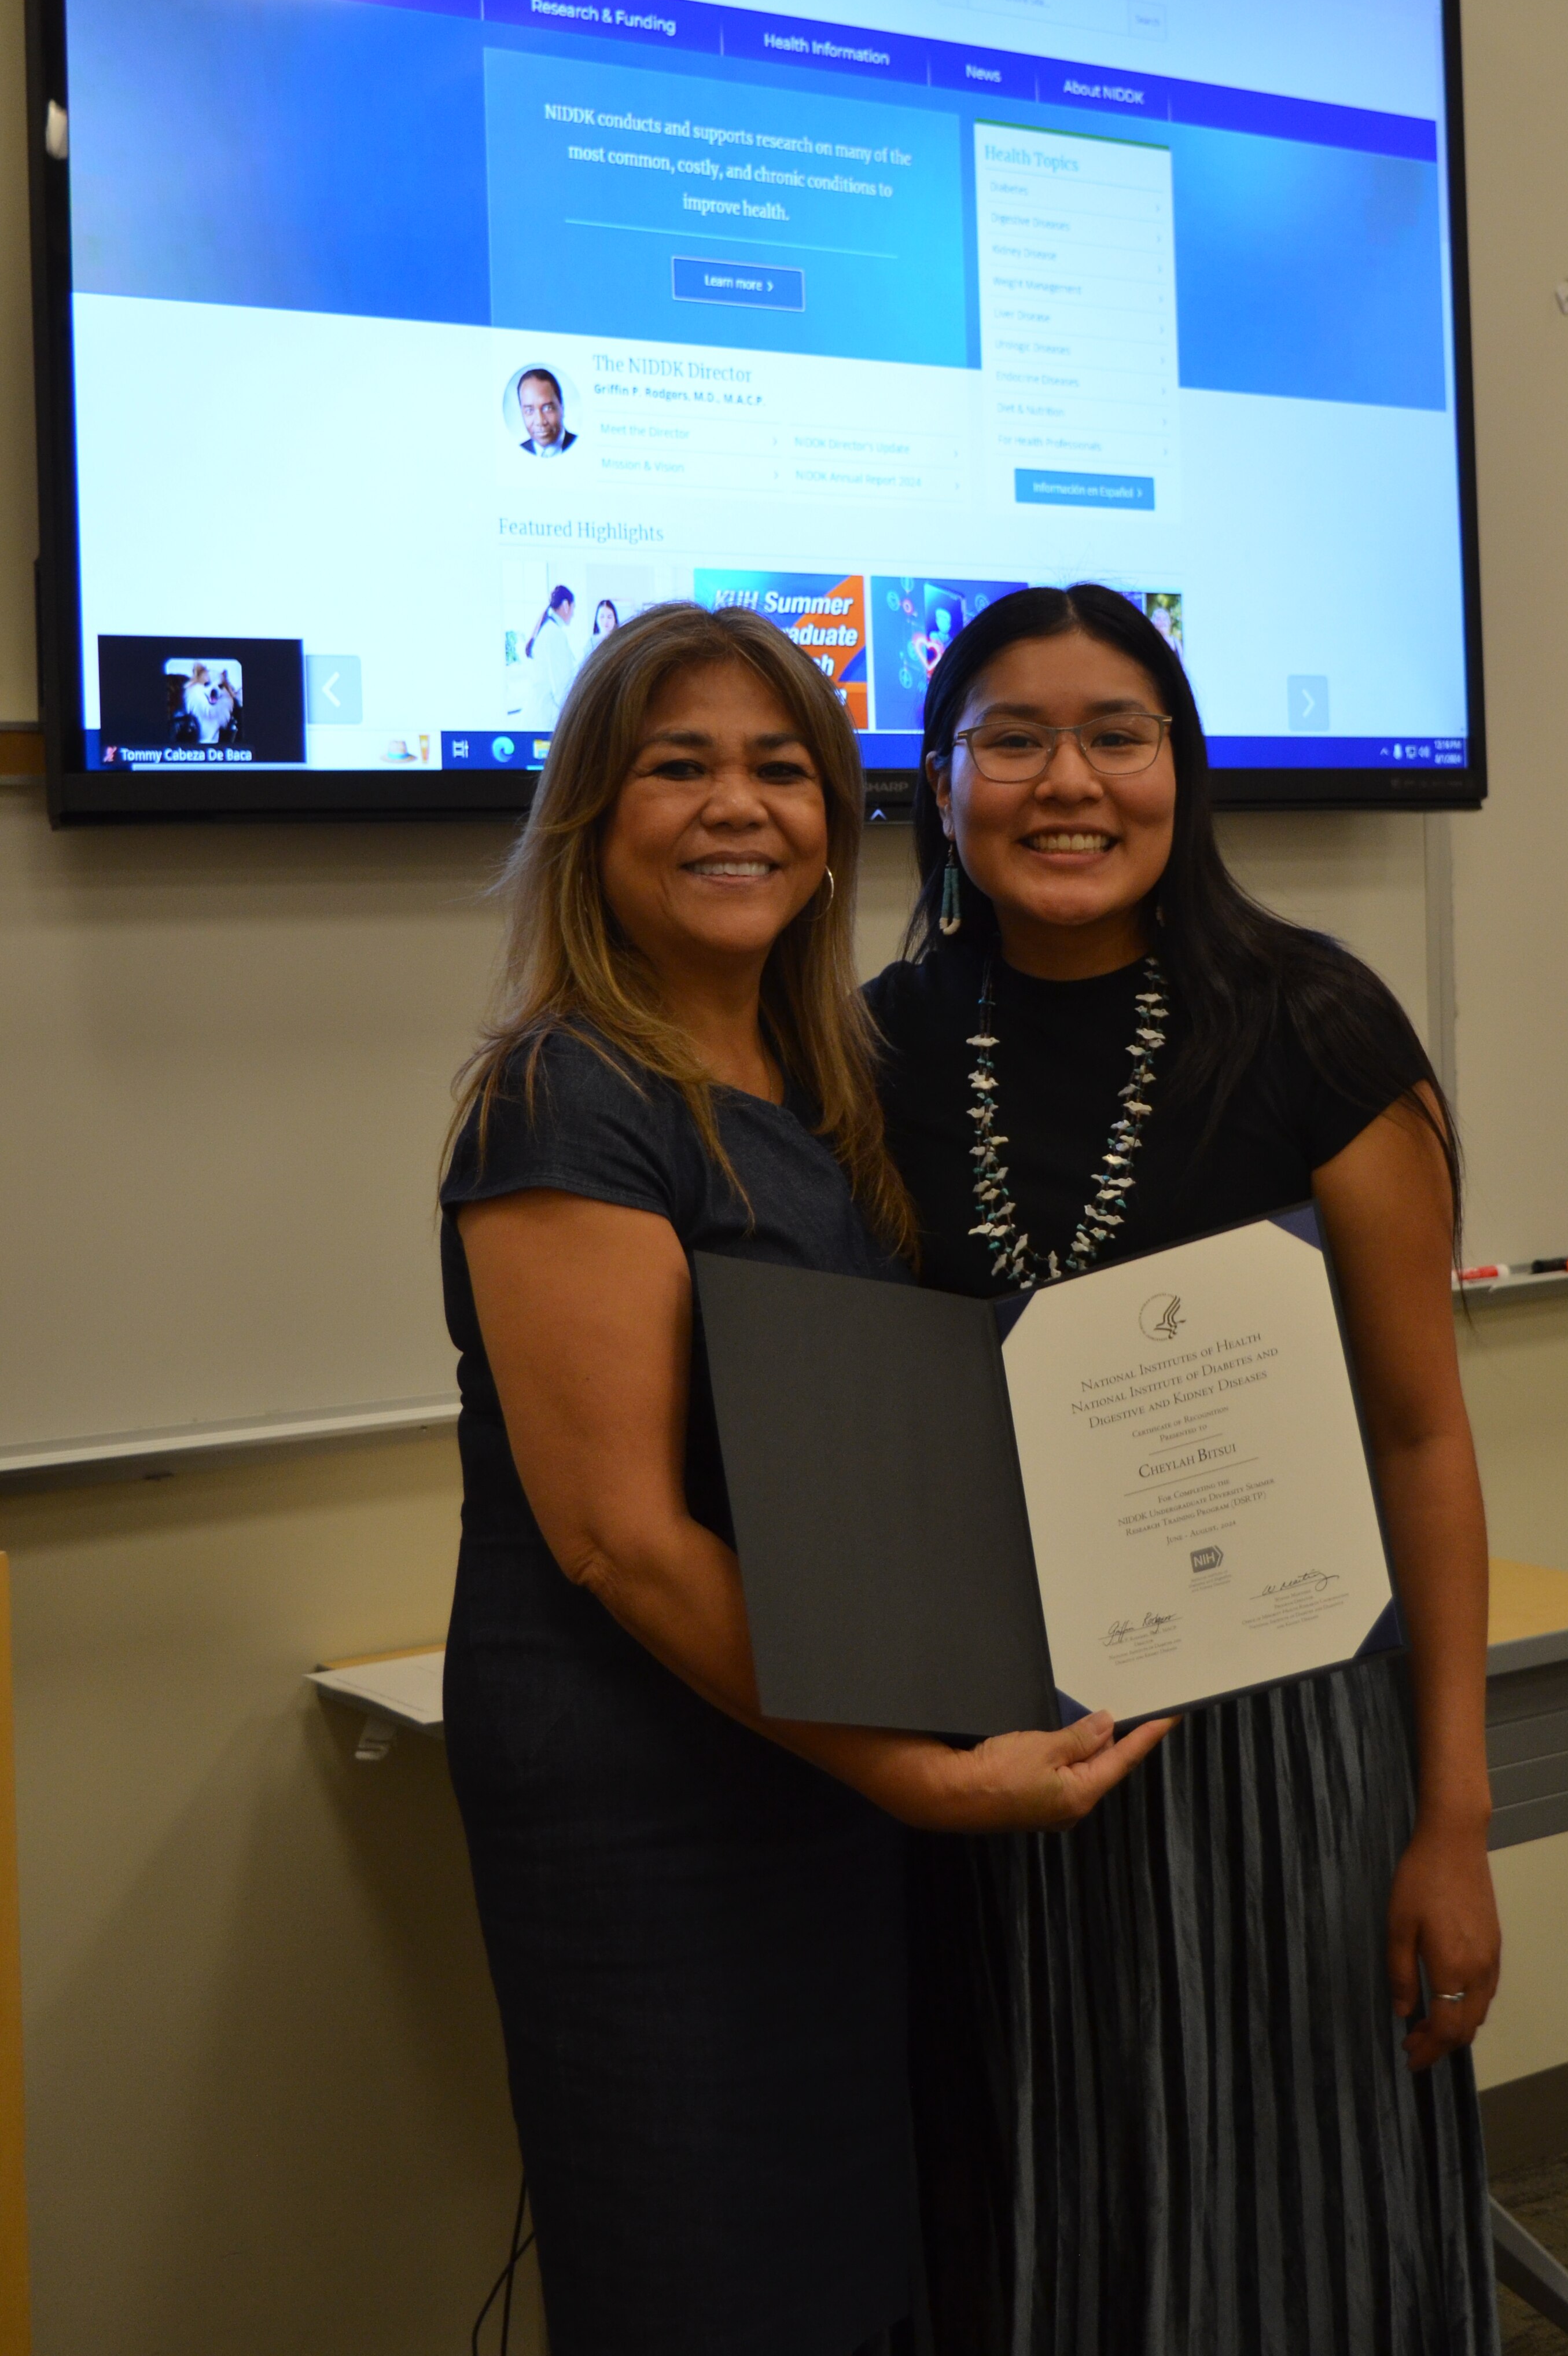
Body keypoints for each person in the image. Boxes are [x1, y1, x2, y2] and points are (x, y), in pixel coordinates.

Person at [439, 599, 1167, 2356]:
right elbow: (618, 1537)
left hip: (820, 1756)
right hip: (655, 1799)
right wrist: (911, 1773)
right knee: (713, 2270)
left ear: (836, 814)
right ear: (590, 817)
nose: (735, 806)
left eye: (778, 767)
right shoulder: (563, 1093)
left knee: (866, 2262)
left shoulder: (822, 1074)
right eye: (675, 766)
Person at [867, 584, 1500, 2355]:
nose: (1065, 780)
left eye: (1114, 734)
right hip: (993, 1760)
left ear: (1180, 769)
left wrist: (1448, 1817)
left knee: (1300, 2227)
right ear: (942, 782)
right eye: (1010, 737)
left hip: (1279, 1764)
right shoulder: (873, 1044)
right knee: (1036, 2222)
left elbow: (1419, 1434)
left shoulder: (1314, 1023)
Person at [524, 584, 577, 726]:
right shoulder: (555, 635)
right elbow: (561, 685)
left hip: (541, 712)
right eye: (574, 608)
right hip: (548, 716)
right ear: (566, 605)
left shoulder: (547, 630)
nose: (573, 613)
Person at [518, 366, 577, 454]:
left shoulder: (582, 444)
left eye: (547, 408)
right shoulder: (517, 451)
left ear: (562, 408)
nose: (540, 422)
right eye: (530, 411)